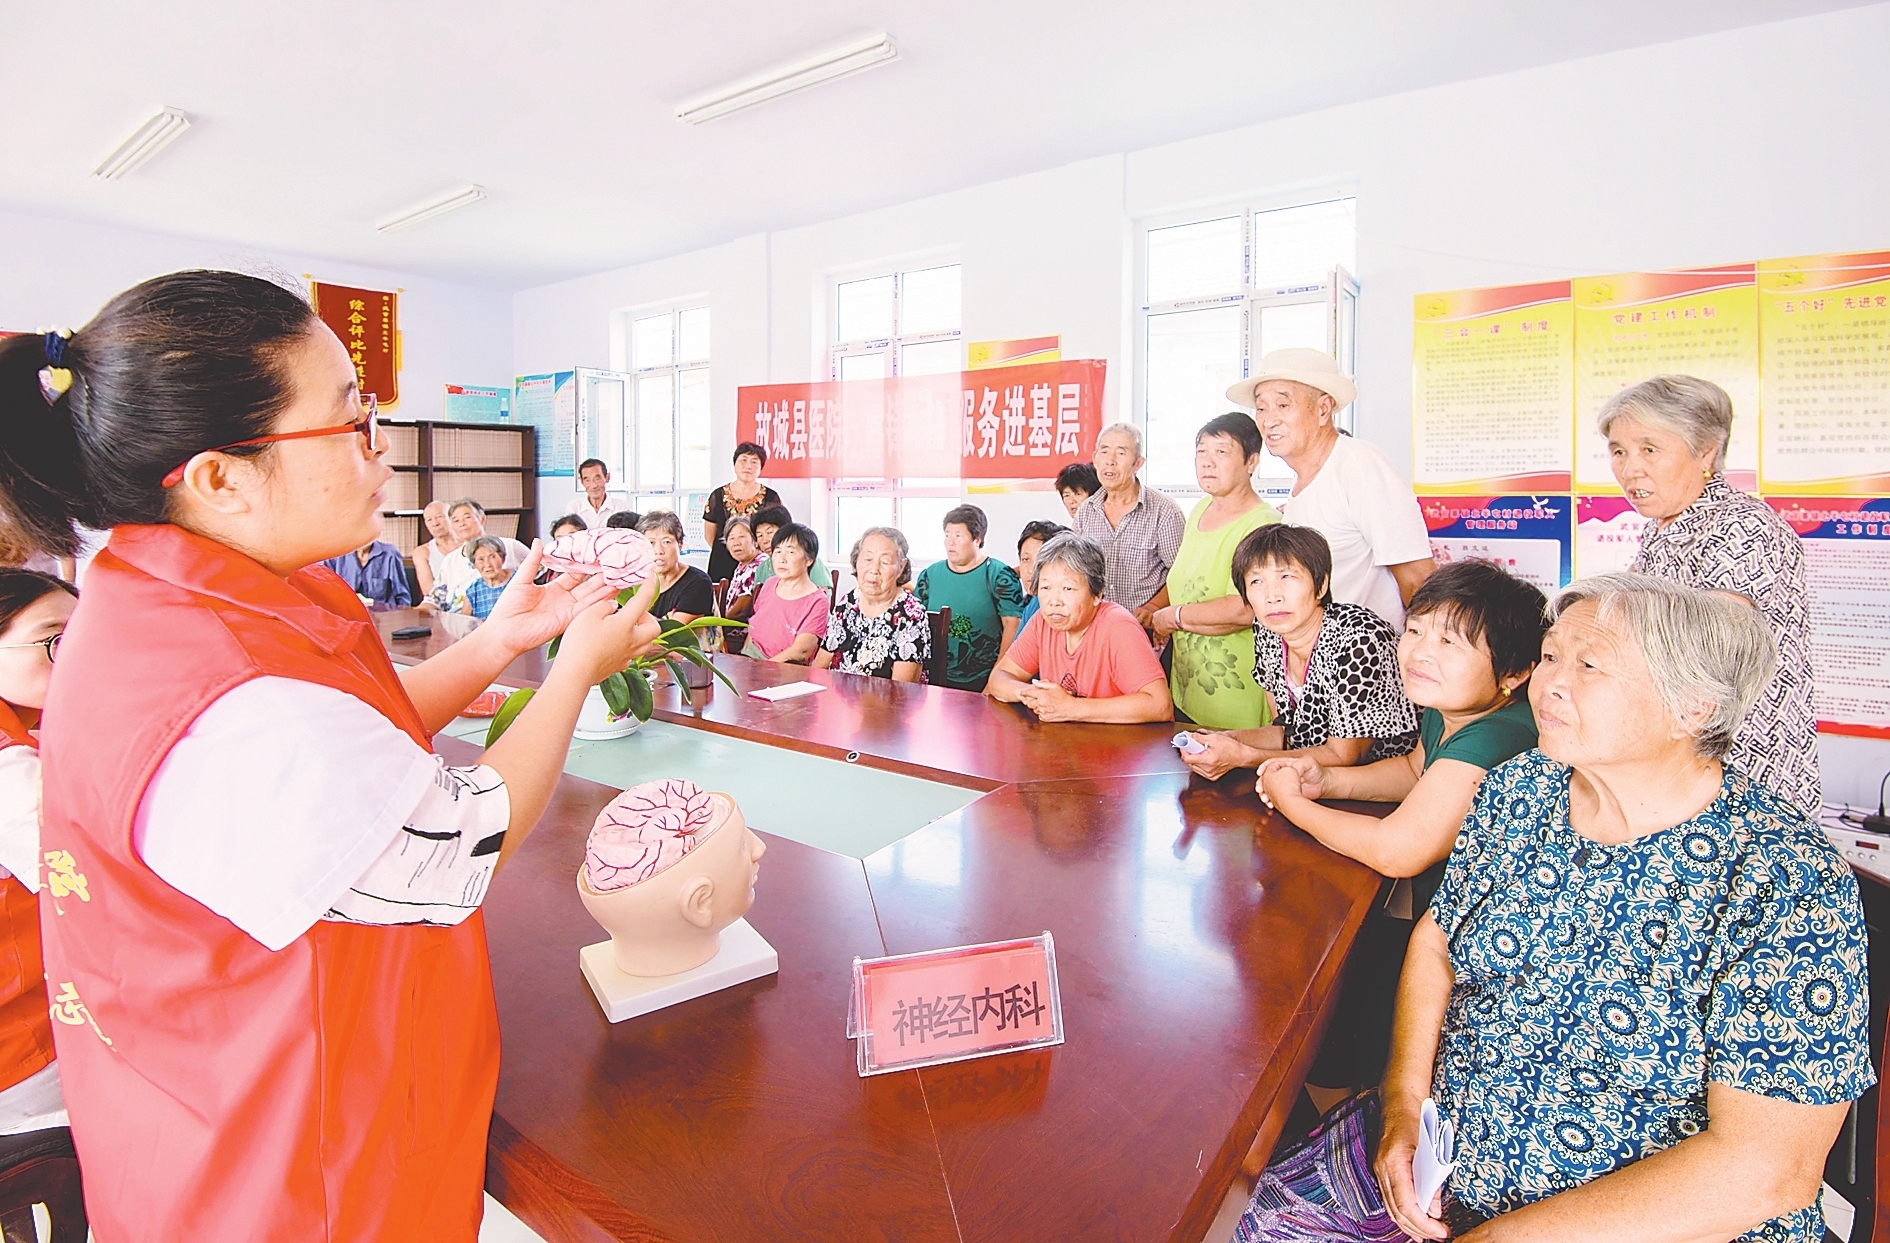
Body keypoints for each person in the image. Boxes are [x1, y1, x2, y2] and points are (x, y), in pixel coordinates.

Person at [0, 273, 663, 1239]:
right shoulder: (228, 702)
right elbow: (455, 846)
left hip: (199, 1100)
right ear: (220, 477)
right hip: (281, 1165)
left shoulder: (166, 590)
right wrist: (572, 673)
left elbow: (355, 750)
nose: (379, 448)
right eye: (352, 422)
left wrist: (496, 641)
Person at [1235, 575, 1873, 1243]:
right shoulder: (1524, 787)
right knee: (1248, 1218)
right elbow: (1437, 942)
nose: (1549, 685)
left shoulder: (1783, 881)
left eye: (1589, 665)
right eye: (1549, 656)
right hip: (1445, 1170)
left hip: (1633, 1228)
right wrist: (1402, 1107)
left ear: (1693, 708)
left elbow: (1765, 1171)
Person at [1255, 560, 1548, 1088]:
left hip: (1487, 961)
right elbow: (1417, 769)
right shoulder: (1453, 703)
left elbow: (1398, 850)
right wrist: (1325, 780)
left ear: (1515, 673)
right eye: (1415, 631)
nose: (1420, 653)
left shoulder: (1500, 733)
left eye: (1450, 642)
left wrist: (1292, 803)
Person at [1601, 374, 1820, 817]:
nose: (1629, 469)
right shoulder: (1665, 527)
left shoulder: (1742, 526)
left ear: (1705, 450)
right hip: (1677, 759)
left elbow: (1710, 651)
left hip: (1739, 766)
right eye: (1619, 451)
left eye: (1649, 449)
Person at [1181, 524, 1415, 781]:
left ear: (1321, 585)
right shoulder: (1269, 630)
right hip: (1310, 780)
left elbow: (1344, 755)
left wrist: (1244, 756)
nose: (1272, 596)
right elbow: (1286, 732)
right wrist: (1223, 741)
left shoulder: (1361, 639)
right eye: (1257, 581)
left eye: (1287, 577)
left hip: (1383, 785)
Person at [1228, 348, 1433, 627]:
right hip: (1319, 650)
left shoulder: (1359, 465)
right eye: (1261, 408)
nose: (1269, 420)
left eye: (1283, 405)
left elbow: (1417, 578)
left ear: (1323, 409)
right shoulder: (1303, 481)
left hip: (1366, 651)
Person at [0, 571, 80, 1176]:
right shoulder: (9, 771)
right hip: (25, 1050)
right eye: (54, 637)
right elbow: (93, 887)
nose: (75, 652)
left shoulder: (28, 729)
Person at [1149, 414, 1281, 729]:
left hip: (1237, 691)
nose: (1207, 462)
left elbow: (1243, 609)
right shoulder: (1200, 509)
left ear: (1252, 462)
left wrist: (1173, 617)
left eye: (1221, 452)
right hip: (1188, 686)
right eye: (1201, 452)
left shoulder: (1262, 524)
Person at [986, 534, 1171, 724]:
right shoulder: (1043, 621)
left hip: (1124, 740)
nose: (1054, 601)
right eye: (1046, 587)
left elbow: (1159, 705)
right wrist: (1030, 693)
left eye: (1068, 589)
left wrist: (1071, 708)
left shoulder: (1118, 627)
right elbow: (999, 678)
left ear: (1097, 594)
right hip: (1067, 739)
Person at [1072, 423, 1185, 626]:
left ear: (1138, 463)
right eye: (1104, 451)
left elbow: (1182, 573)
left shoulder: (1164, 510)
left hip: (1147, 627)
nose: (1110, 461)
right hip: (1098, 627)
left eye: (1121, 453)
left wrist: (1153, 607)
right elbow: (1076, 571)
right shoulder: (1086, 511)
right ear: (1095, 458)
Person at [914, 504, 1025, 692]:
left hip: (982, 680)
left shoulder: (1000, 575)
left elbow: (1013, 626)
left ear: (977, 539)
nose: (950, 542)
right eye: (947, 535)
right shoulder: (929, 575)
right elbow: (915, 622)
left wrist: (997, 679)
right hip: (934, 680)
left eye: (958, 536)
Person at [813, 527, 929, 682]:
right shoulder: (847, 603)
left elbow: (902, 688)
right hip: (838, 695)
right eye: (868, 559)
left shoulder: (911, 613)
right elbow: (820, 666)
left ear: (901, 567)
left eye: (885, 562)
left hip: (886, 697)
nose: (874, 570)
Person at [743, 523, 827, 663]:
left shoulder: (818, 601)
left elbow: (801, 651)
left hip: (785, 666)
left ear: (809, 560)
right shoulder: (769, 584)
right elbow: (754, 627)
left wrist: (764, 668)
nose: (782, 559)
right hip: (750, 657)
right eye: (777, 551)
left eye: (790, 552)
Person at [702, 442, 781, 584]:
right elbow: (710, 535)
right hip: (722, 560)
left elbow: (779, 531)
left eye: (754, 462)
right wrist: (734, 546)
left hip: (758, 562)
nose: (748, 466)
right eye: (743, 460)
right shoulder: (717, 495)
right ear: (734, 464)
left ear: (761, 467)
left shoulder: (771, 497)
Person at [436, 498, 530, 607]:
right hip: (458, 614)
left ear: (482, 519)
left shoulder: (510, 546)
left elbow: (541, 574)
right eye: (456, 521)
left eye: (467, 517)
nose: (462, 524)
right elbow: (436, 598)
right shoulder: (450, 560)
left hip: (507, 610)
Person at [638, 511, 713, 623]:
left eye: (666, 542)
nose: (658, 550)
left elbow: (675, 628)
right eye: (651, 543)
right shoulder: (634, 581)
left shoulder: (699, 582)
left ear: (680, 544)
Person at [751, 504, 831, 589]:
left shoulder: (809, 561)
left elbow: (822, 593)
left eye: (769, 532)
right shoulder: (762, 568)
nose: (765, 540)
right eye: (760, 535)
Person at [322, 536, 413, 609]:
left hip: (383, 618)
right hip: (347, 618)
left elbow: (403, 597)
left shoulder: (389, 553)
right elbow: (324, 595)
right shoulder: (335, 555)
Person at [1014, 519, 1068, 626]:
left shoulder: (1059, 608)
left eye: (1039, 560)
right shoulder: (1031, 603)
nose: (1031, 570)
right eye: (1025, 559)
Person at [412, 499, 460, 608]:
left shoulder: (468, 546)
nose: (435, 523)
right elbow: (428, 589)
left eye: (439, 517)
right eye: (429, 520)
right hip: (438, 602)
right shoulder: (422, 552)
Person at [455, 536, 514, 620]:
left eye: (492, 557)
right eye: (481, 559)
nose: (487, 564)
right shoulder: (473, 592)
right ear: (474, 564)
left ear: (503, 558)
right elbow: (463, 623)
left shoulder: (518, 581)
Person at [565, 458, 632, 530]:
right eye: (587, 480)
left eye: (597, 479)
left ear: (607, 477)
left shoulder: (620, 507)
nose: (594, 485)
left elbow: (624, 534)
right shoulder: (574, 508)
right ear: (581, 481)